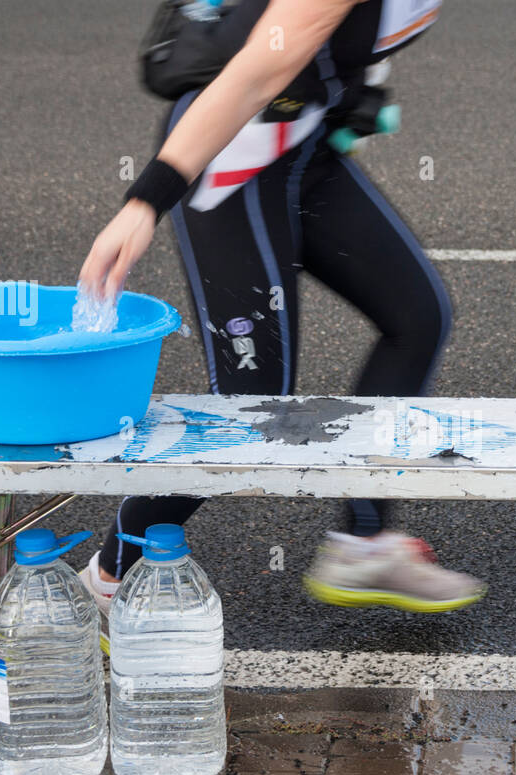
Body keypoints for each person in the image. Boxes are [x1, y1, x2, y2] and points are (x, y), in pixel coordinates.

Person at [77, 0, 484, 615]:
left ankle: (363, 545)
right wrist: (145, 202)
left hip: (306, 145)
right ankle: (111, 575)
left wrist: (353, 87)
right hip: (232, 157)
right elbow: (253, 76)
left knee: (416, 317)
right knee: (252, 406)